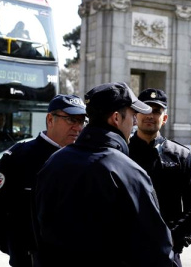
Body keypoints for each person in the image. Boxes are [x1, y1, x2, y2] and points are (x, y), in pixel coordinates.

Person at [34, 82, 174, 266]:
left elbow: (37, 230)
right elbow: (158, 250)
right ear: (116, 118)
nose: (134, 122)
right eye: (132, 115)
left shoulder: (53, 162)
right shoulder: (129, 172)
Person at [0, 94, 87, 267]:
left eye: (81, 121)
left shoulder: (83, 159)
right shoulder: (18, 157)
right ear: (50, 119)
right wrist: (19, 251)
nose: (78, 127)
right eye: (71, 120)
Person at [128, 88, 191, 267]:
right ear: (135, 116)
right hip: (128, 250)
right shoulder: (122, 152)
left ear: (165, 118)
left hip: (167, 251)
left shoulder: (181, 155)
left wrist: (174, 238)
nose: (150, 115)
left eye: (156, 111)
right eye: (145, 110)